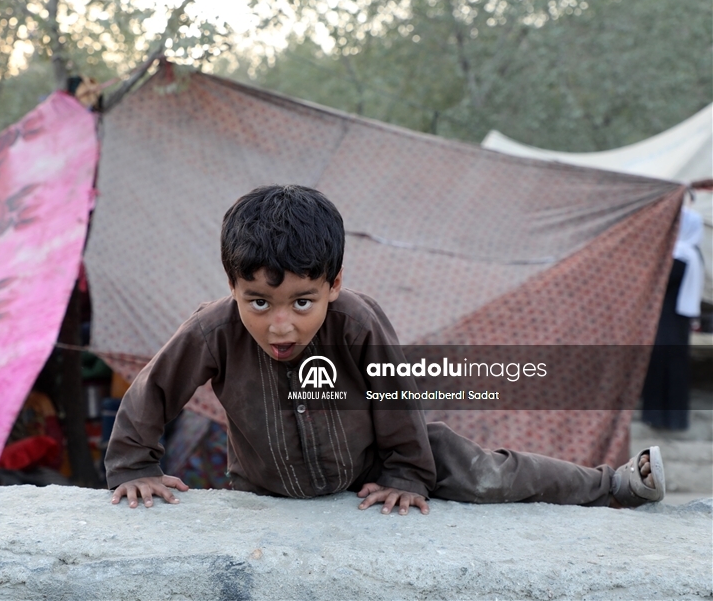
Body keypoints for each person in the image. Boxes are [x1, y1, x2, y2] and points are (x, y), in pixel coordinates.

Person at [105, 185, 664, 513]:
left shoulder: (356, 322)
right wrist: (134, 465)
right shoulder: (214, 330)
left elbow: (396, 396)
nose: (280, 325)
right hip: (266, 484)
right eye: (259, 302)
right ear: (233, 287)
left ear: (334, 285)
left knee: (490, 474)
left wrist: (406, 475)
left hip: (373, 462)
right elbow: (155, 389)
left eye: (302, 302)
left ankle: (612, 485)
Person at [641, 207, 705, 431]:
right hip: (680, 320)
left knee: (661, 366)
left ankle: (657, 417)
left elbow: (658, 284)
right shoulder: (694, 254)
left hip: (665, 319)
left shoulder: (679, 255)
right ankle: (675, 420)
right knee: (677, 367)